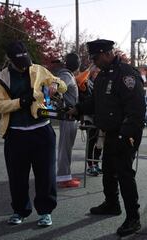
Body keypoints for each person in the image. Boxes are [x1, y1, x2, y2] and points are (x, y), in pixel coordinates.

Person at [69, 39, 146, 237]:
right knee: (109, 171)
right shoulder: (104, 75)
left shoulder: (126, 74)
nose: (94, 62)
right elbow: (95, 102)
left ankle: (133, 218)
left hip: (125, 133)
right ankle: (112, 203)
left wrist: (124, 134)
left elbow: (136, 109)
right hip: (110, 133)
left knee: (125, 175)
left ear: (106, 53)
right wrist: (77, 109)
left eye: (96, 58)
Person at [0, 40, 67, 227]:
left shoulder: (38, 69)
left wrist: (56, 84)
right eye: (20, 62)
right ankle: (19, 211)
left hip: (42, 131)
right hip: (15, 134)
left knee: (46, 175)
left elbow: (63, 84)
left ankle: (46, 212)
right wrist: (21, 102)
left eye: (26, 60)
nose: (24, 65)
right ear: (10, 60)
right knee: (17, 177)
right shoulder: (0, 79)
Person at [56, 53, 81, 188]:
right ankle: (63, 177)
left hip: (71, 116)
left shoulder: (68, 74)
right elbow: (58, 89)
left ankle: (66, 175)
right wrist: (63, 105)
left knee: (66, 147)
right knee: (65, 148)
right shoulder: (65, 75)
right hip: (68, 115)